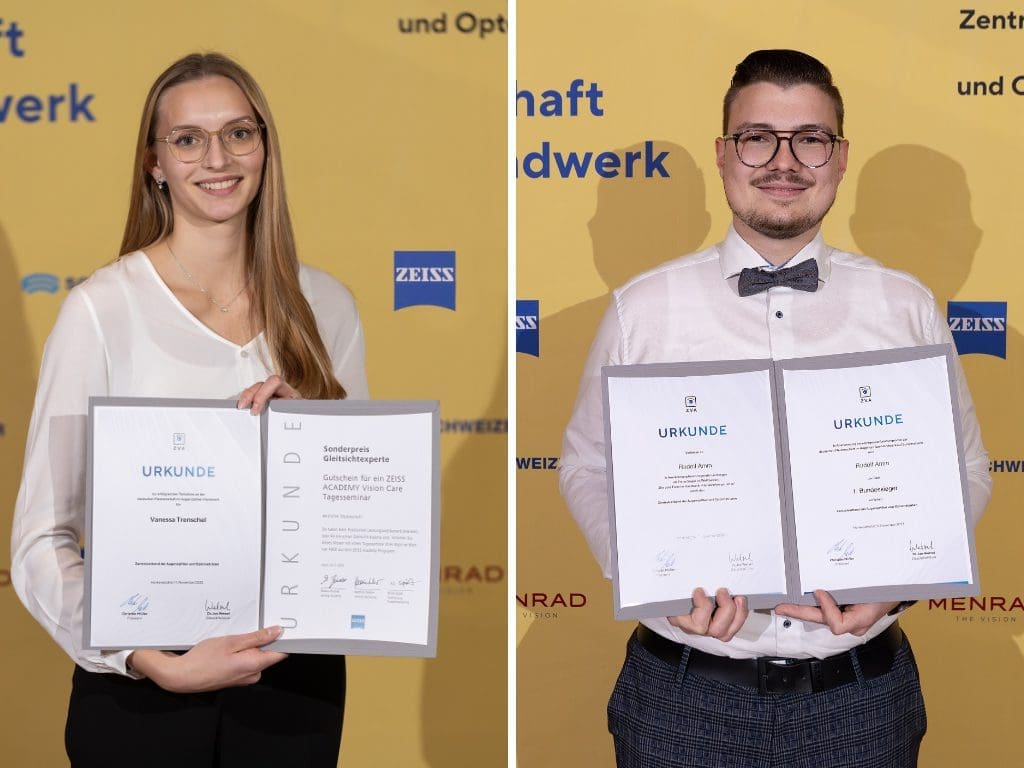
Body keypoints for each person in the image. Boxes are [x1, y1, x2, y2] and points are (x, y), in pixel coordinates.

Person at [559, 49, 990, 768]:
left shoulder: (904, 305)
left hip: (862, 697)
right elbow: (586, 465)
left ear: (840, 157)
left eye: (810, 139)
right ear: (726, 155)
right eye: (758, 137)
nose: (783, 161)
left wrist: (894, 586)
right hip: (684, 697)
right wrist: (655, 584)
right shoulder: (645, 308)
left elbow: (967, 467)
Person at [11, 52, 367, 767]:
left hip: (294, 686)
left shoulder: (324, 306)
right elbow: (40, 544)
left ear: (265, 147)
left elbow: (355, 522)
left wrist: (321, 435)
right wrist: (147, 658)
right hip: (142, 694)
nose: (218, 158)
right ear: (155, 163)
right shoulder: (102, 312)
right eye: (188, 138)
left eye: (240, 132)